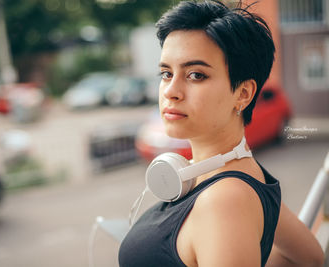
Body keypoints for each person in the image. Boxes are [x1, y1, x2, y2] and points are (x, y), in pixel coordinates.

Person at [118, 1, 324, 266]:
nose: (171, 90)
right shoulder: (226, 174)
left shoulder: (225, 200)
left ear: (243, 94)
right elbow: (310, 257)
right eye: (166, 73)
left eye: (195, 75)